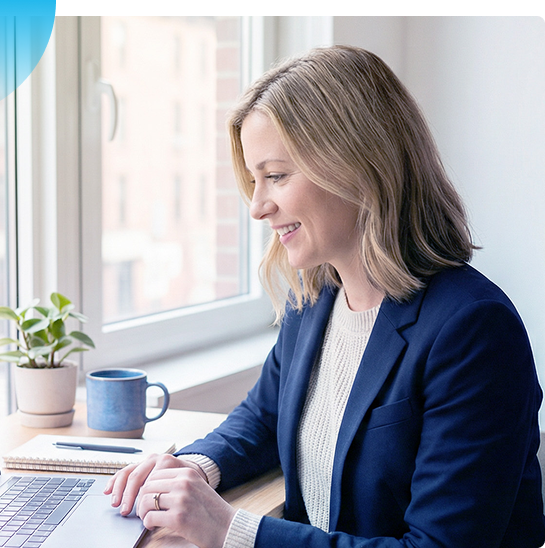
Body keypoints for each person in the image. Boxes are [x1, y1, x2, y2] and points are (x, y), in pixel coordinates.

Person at [105, 45, 545, 547]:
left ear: (357, 163)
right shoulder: (315, 299)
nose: (258, 207)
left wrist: (232, 529)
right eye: (254, 180)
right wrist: (192, 468)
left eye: (276, 176)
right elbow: (265, 417)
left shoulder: (474, 329)